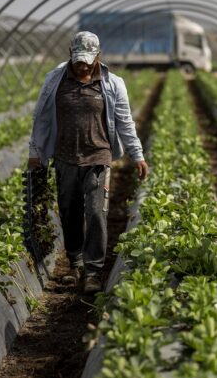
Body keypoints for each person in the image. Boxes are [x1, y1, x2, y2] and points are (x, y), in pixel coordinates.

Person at [28, 31, 148, 294]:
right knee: (69, 212)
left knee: (95, 214)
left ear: (98, 57)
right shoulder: (55, 80)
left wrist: (136, 154)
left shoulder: (112, 83)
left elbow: (125, 122)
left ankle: (92, 272)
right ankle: (74, 264)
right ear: (70, 55)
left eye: (87, 60)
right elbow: (42, 119)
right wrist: (35, 151)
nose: (82, 65)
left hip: (98, 157)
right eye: (78, 59)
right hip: (65, 157)